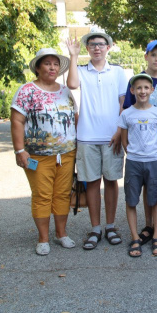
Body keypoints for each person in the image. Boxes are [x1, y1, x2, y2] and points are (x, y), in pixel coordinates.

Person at [10, 48, 77, 255]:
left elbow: (74, 117)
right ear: (38, 68)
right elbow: (17, 120)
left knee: (63, 195)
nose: (52, 67)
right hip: (37, 155)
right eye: (47, 64)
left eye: (55, 64)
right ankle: (43, 238)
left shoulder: (65, 90)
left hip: (66, 154)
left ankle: (61, 234)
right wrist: (19, 150)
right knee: (42, 196)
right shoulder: (26, 91)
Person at [66, 29, 128, 250]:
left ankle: (110, 225)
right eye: (92, 44)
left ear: (108, 47)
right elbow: (72, 84)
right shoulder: (82, 70)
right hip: (86, 136)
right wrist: (73, 56)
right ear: (87, 48)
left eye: (101, 44)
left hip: (112, 136)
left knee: (111, 181)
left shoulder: (119, 72)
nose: (97, 47)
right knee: (91, 182)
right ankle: (95, 228)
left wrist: (120, 131)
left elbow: (124, 102)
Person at [122, 40, 157, 245]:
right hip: (140, 145)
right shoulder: (136, 82)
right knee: (146, 186)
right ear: (146, 56)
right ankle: (148, 225)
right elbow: (126, 113)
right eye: (153, 54)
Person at [118, 74, 157, 258]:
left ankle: (156, 235)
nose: (142, 91)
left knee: (156, 200)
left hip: (154, 161)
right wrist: (134, 154)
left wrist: (153, 152)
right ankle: (135, 237)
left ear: (152, 90)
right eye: (138, 88)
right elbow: (124, 141)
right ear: (132, 91)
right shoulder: (126, 113)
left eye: (146, 87)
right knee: (131, 200)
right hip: (134, 162)